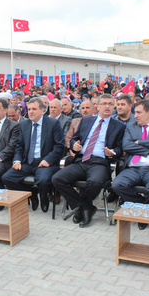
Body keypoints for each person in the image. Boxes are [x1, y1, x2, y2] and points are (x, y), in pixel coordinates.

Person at [52, 94, 125, 227]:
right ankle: (84, 207)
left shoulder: (119, 126)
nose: (107, 106)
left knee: (95, 182)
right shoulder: (86, 121)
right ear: (97, 106)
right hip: (81, 160)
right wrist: (74, 144)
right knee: (57, 178)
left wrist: (113, 152)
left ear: (114, 106)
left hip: (100, 162)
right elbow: (75, 137)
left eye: (110, 104)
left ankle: (83, 208)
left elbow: (121, 149)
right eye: (104, 103)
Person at [111, 99, 149, 230]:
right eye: (135, 112)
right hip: (133, 168)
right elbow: (126, 145)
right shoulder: (131, 126)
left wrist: (138, 142)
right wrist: (148, 150)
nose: (136, 115)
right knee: (116, 185)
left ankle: (144, 215)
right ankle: (145, 208)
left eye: (139, 112)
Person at [2, 97, 65, 212]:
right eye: (29, 109)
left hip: (44, 162)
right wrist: (17, 160)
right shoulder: (24, 124)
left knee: (43, 180)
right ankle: (31, 193)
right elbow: (19, 146)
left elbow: (60, 146)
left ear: (42, 110)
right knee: (7, 178)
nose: (31, 111)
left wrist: (48, 160)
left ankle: (43, 197)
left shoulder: (53, 123)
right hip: (28, 162)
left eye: (34, 109)